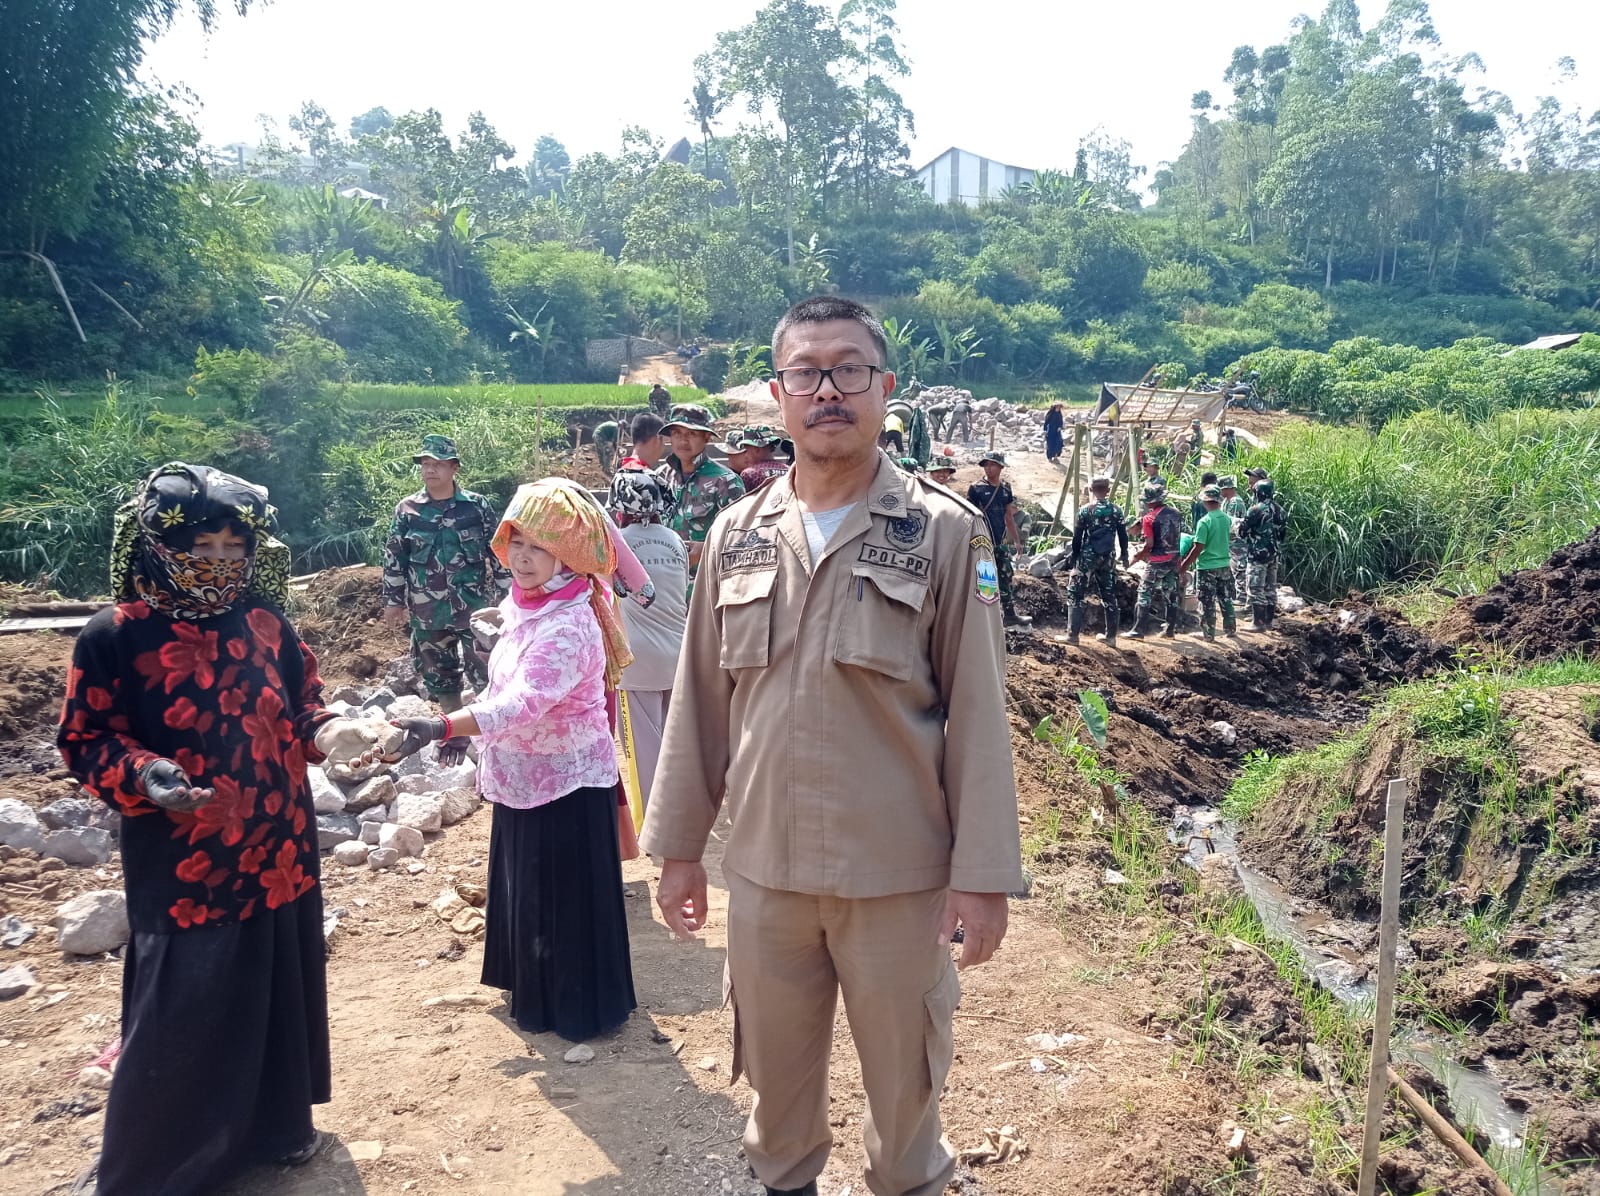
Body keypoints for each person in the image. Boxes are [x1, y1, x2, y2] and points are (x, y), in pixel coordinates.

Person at [642, 294, 1022, 1196]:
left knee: (904, 1108)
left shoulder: (943, 532)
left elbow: (977, 712)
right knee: (775, 1101)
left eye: (848, 369)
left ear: (884, 387)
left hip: (897, 878)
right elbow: (699, 704)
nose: (827, 390)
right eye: (806, 372)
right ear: (779, 395)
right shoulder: (736, 536)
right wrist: (680, 851)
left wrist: (984, 872)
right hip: (767, 875)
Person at [58, 463, 361, 1196]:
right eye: (204, 547)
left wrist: (336, 731)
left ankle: (277, 1130)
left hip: (279, 845)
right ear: (160, 546)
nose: (220, 565)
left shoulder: (266, 624)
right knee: (183, 1010)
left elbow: (302, 707)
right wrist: (143, 775)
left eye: (235, 549)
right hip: (186, 857)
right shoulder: (114, 637)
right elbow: (86, 736)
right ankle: (156, 1173)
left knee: (274, 988)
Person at [387, 479, 637, 1041]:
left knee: (562, 899)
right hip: (524, 775)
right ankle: (533, 989)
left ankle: (577, 1008)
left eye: (539, 548)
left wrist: (443, 723)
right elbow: (506, 683)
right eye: (516, 541)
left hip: (565, 782)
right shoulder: (527, 604)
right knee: (527, 888)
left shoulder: (571, 623)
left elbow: (522, 703)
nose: (522, 558)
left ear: (568, 556)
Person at [382, 435, 511, 712]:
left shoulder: (477, 507)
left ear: (454, 467)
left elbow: (499, 553)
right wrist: (393, 602)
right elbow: (395, 557)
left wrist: (509, 598)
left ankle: (491, 732)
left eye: (437, 463)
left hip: (475, 610)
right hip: (428, 613)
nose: (429, 469)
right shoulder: (408, 510)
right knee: (441, 679)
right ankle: (454, 733)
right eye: (425, 463)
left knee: (490, 672)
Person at [606, 470, 688, 811]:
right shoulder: (674, 539)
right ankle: (683, 813)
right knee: (676, 741)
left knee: (641, 750)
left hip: (637, 661)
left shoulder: (615, 545)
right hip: (679, 654)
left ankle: (654, 823)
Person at [658, 403, 746, 586]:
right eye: (677, 433)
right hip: (666, 585)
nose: (683, 441)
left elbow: (742, 538)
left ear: (706, 437)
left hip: (707, 585)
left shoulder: (725, 481)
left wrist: (705, 548)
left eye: (691, 434)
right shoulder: (660, 478)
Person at [968, 451, 1032, 627]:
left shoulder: (1005, 489)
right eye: (986, 465)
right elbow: (969, 517)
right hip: (981, 540)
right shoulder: (976, 488)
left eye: (992, 464)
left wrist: (1017, 541)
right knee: (984, 576)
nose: (988, 468)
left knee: (1005, 575)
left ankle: (1009, 614)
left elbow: (1009, 517)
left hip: (1000, 541)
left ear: (1001, 467)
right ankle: (983, 618)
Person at [1064, 475, 1129, 646]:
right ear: (1107, 491)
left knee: (1076, 592)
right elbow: (1123, 535)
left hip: (1088, 556)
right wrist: (1125, 554)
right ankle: (1111, 637)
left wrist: (1075, 556)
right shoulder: (1116, 510)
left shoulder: (1086, 510)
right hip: (1108, 557)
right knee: (1108, 594)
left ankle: (1072, 636)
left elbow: (1077, 537)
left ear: (1091, 490)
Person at [1126, 481, 1185, 639]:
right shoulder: (1176, 513)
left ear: (1149, 501)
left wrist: (1139, 556)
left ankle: (1138, 630)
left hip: (1157, 560)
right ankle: (1170, 630)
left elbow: (1149, 544)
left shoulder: (1149, 518)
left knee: (1144, 592)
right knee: (1171, 593)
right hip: (1173, 559)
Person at [1179, 485, 1237, 641]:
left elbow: (1198, 548)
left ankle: (1208, 634)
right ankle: (1230, 628)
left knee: (1207, 602)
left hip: (1207, 567)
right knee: (1225, 598)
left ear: (1205, 501)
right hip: (1224, 565)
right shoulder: (1226, 519)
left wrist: (1184, 566)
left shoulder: (1204, 522)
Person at [1240, 477, 1288, 632]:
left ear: (1259, 493)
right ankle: (1268, 622)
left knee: (1255, 588)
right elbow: (1282, 535)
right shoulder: (1281, 510)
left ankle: (1258, 623)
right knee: (1270, 588)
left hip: (1257, 555)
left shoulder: (1255, 510)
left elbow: (1242, 531)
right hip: (1274, 554)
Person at [1219, 475, 1249, 600]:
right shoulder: (1227, 501)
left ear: (1227, 488)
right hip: (1230, 541)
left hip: (1237, 542)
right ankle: (1236, 594)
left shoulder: (1236, 502)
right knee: (1233, 567)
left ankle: (1242, 596)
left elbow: (1232, 524)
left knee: (1239, 567)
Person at [737, 426, 792, 491]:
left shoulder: (749, 474)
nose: (745, 455)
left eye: (746, 450)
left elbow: (744, 500)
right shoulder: (790, 470)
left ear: (756, 449)